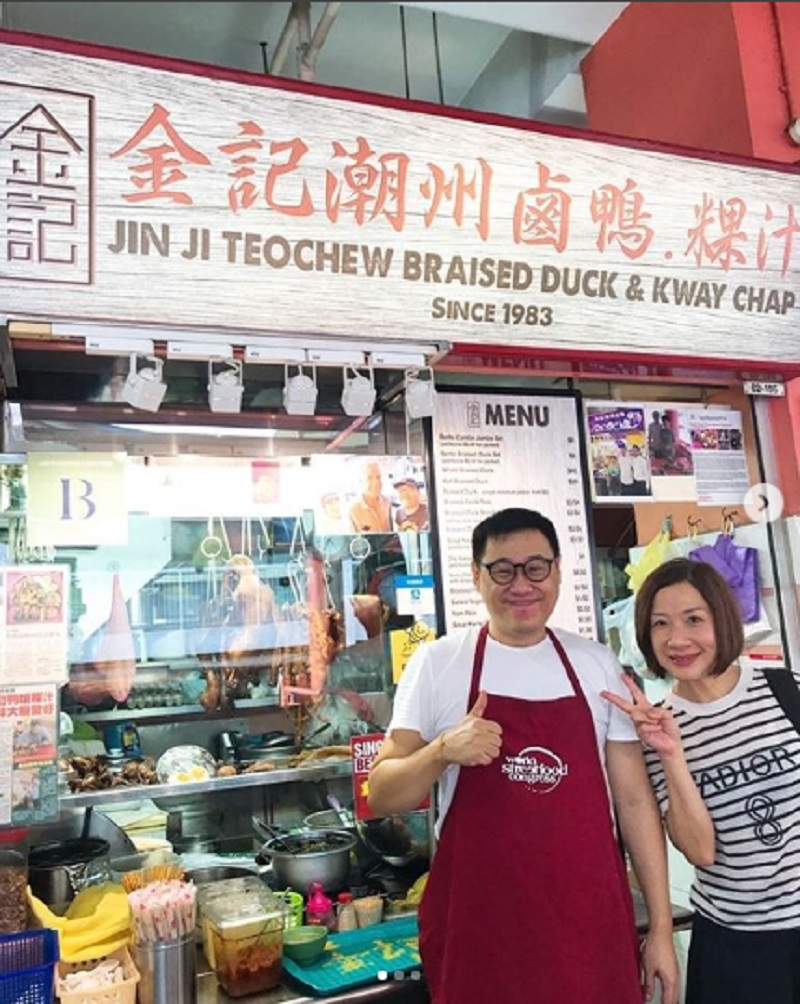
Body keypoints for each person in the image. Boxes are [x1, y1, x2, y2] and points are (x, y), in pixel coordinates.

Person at [368, 507, 679, 1004]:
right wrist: (443, 751)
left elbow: (636, 805)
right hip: (482, 932)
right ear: (476, 575)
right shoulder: (439, 663)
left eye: (536, 567)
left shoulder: (595, 664)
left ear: (557, 571)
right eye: (502, 569)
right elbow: (381, 794)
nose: (522, 584)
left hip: (587, 927)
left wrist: (660, 928)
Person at [602, 557, 800, 1004]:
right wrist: (672, 756)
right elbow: (700, 851)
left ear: (722, 620)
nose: (678, 639)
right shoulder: (654, 729)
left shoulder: (785, 688)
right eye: (660, 624)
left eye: (694, 619)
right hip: (735, 944)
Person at [348, 460, 392, 533]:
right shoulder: (353, 510)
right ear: (360, 481)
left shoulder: (387, 503)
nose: (376, 482)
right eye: (369, 478)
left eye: (378, 477)